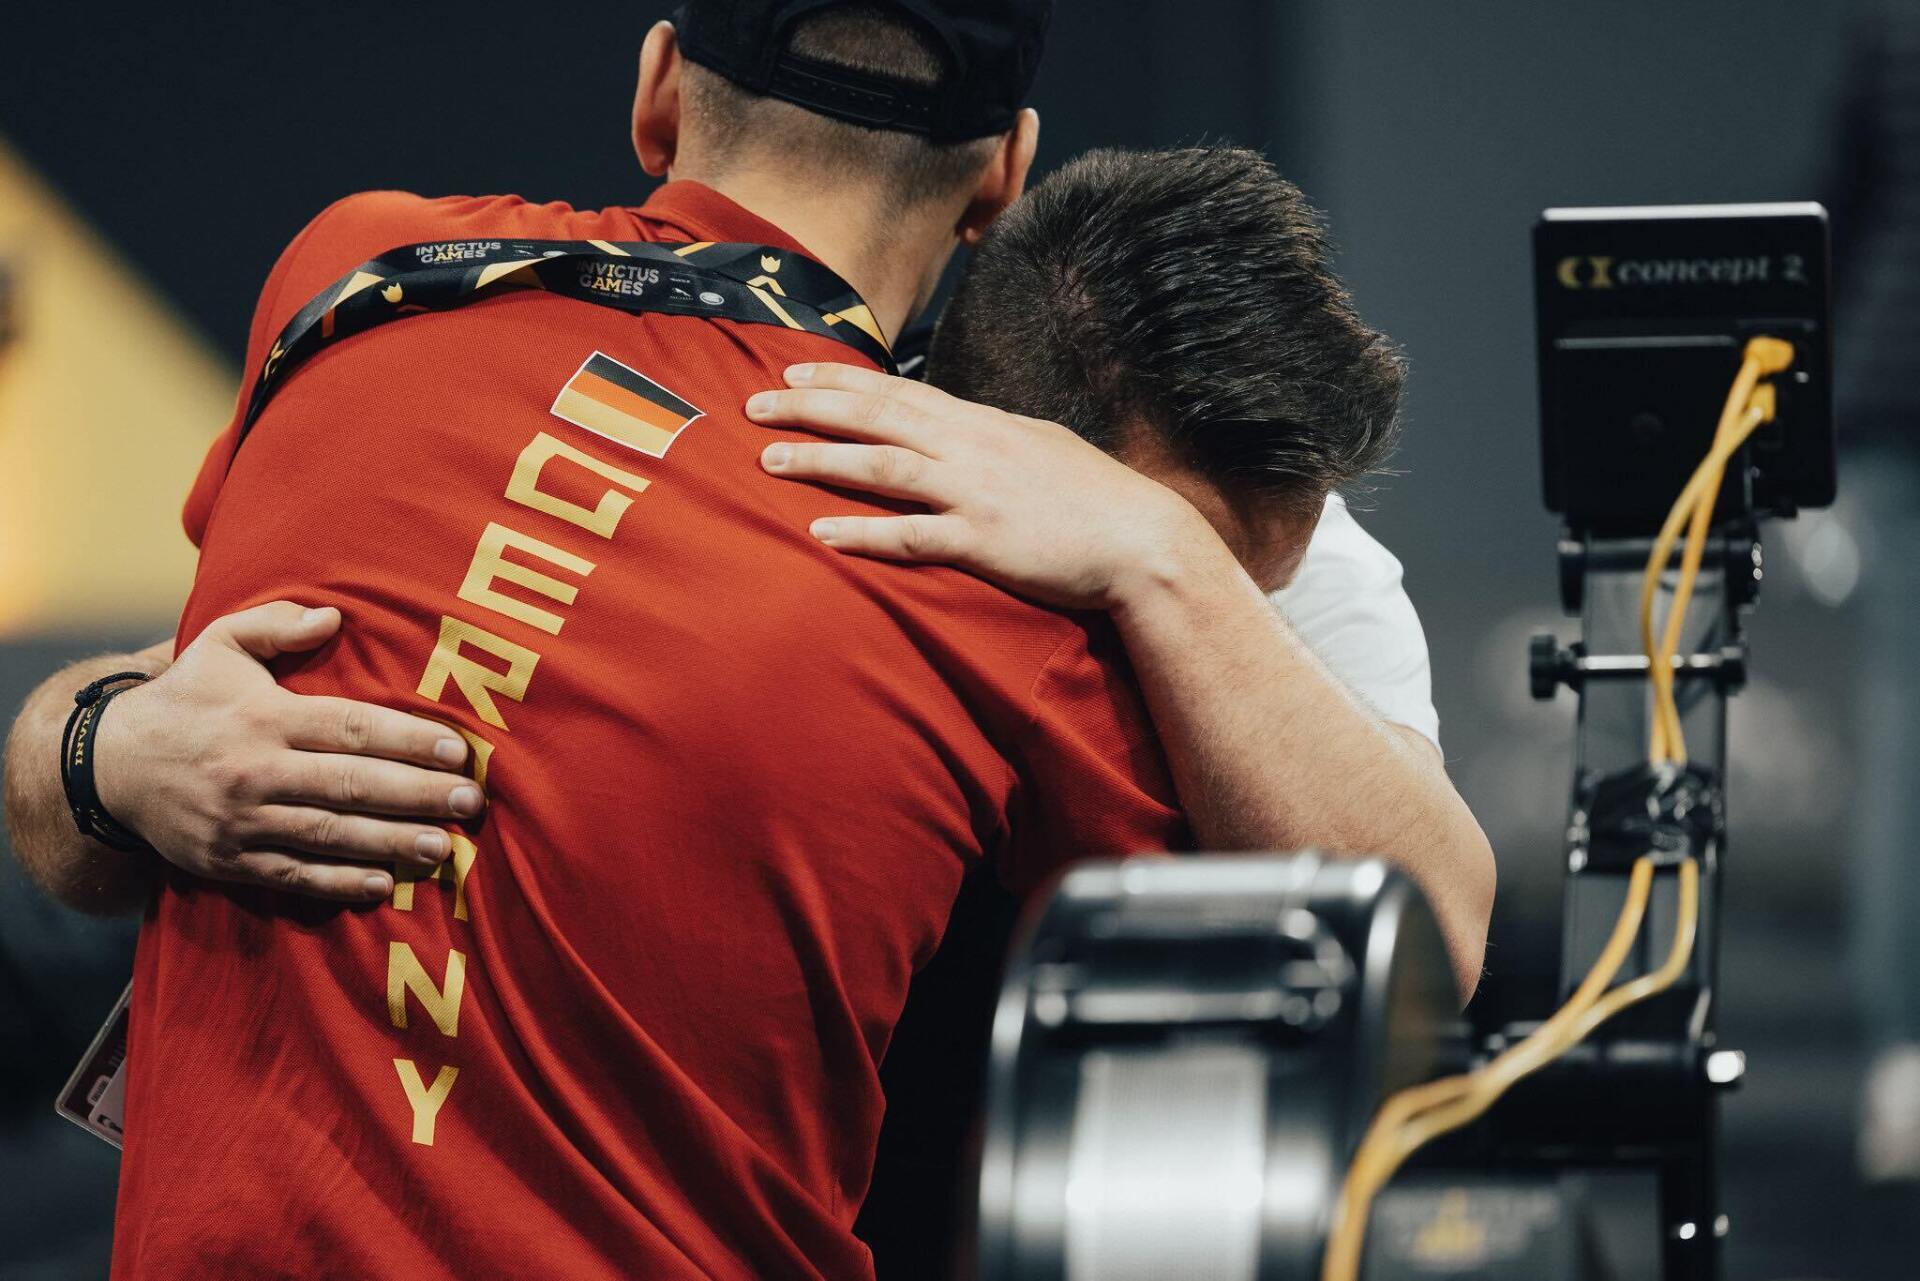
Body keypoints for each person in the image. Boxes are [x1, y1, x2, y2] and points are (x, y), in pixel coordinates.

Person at [3, 6, 1491, 1279]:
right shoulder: (997, 598)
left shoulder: (353, 274)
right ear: (1001, 176)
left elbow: (135, 758)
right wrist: (103, 749)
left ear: (659, 90)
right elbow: (1417, 962)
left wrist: (85, 746)